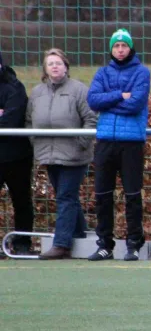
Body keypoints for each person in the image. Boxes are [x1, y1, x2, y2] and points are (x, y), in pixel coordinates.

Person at [86, 28, 151, 262]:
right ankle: (105, 244)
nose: (120, 50)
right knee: (103, 194)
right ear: (111, 49)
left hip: (131, 143)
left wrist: (109, 100)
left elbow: (135, 104)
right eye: (116, 46)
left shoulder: (142, 72)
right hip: (105, 142)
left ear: (130, 48)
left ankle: (133, 244)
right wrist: (120, 95)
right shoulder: (102, 73)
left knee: (132, 195)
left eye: (124, 46)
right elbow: (93, 100)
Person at [27, 48, 97, 259]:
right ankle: (79, 232)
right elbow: (29, 121)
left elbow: (91, 119)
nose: (55, 66)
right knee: (67, 196)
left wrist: (81, 143)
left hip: (74, 156)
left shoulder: (79, 90)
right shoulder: (37, 93)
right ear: (45, 69)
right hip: (48, 154)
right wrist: (36, 143)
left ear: (66, 66)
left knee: (65, 196)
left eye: (58, 63)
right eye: (50, 63)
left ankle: (62, 243)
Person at [0, 49, 35, 255]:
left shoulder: (15, 87)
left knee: (21, 201)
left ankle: (22, 245)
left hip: (17, 157)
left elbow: (11, 120)